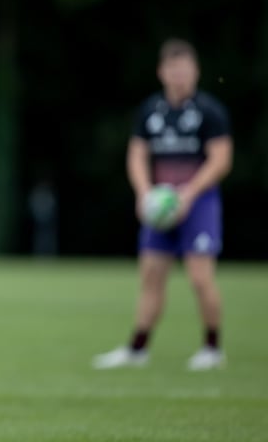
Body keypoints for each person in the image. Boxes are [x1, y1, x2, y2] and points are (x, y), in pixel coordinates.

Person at [92, 38, 232, 371]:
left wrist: (188, 194)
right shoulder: (150, 111)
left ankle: (212, 348)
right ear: (162, 72)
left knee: (200, 277)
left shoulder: (210, 112)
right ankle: (137, 349)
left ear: (195, 71)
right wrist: (144, 193)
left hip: (198, 203)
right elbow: (137, 155)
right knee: (151, 275)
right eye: (173, 69)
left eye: (185, 69)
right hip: (160, 205)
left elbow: (221, 160)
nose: (179, 76)